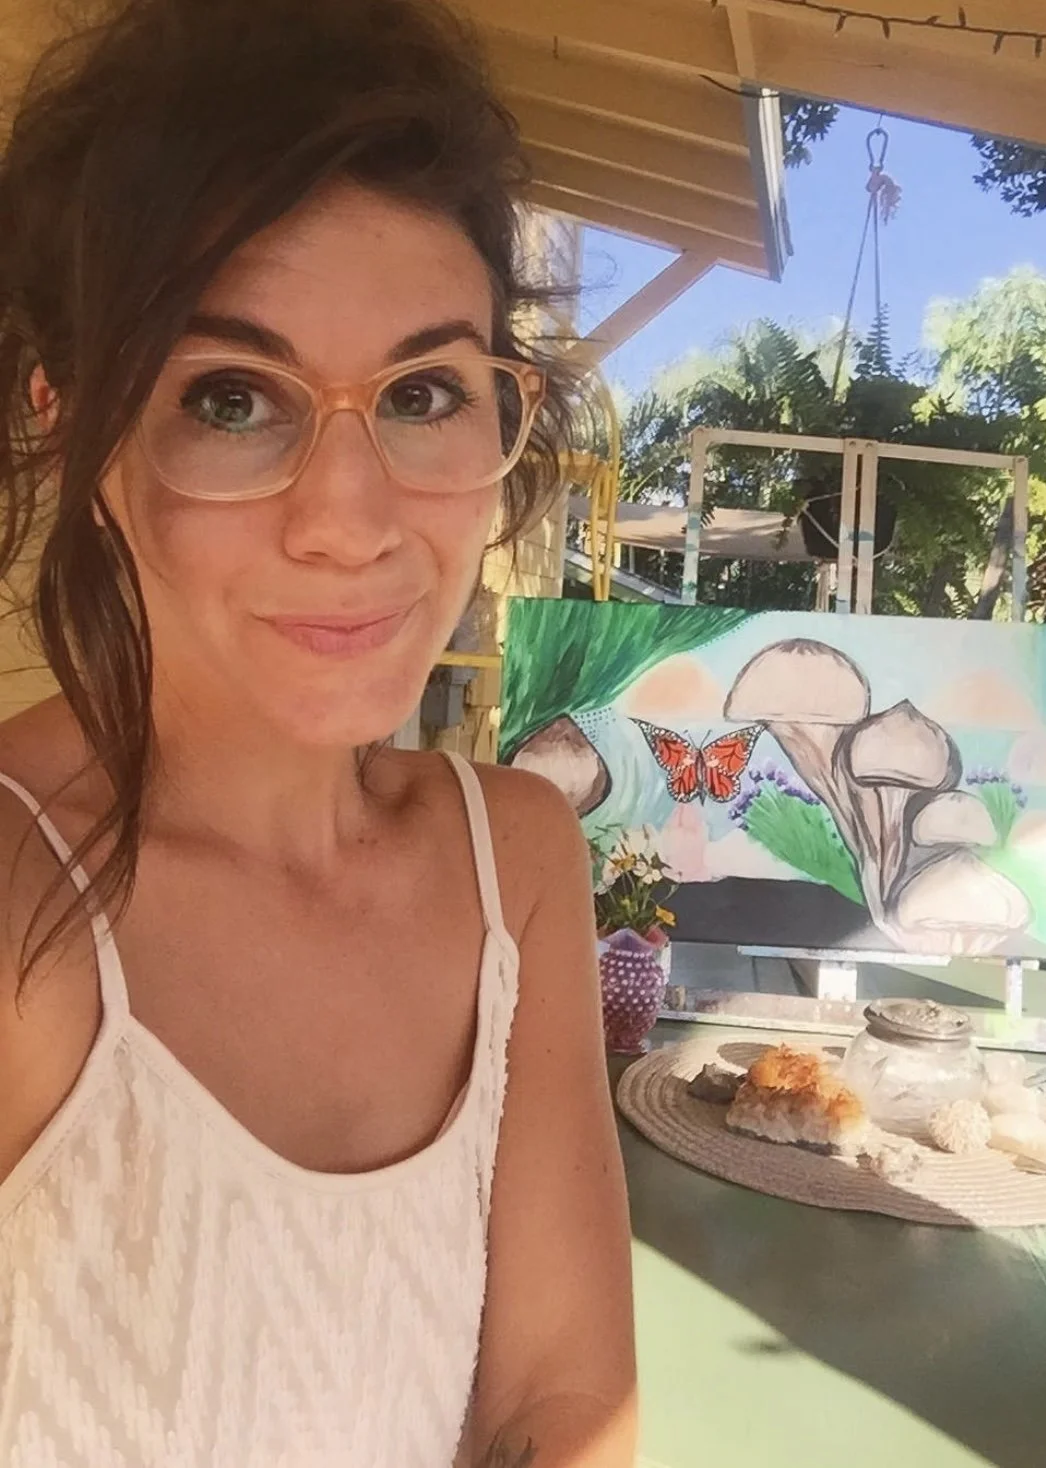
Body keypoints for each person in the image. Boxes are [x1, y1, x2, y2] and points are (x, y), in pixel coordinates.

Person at [0, 2, 636, 1464]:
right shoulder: (24, 905)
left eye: (421, 394)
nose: (348, 524)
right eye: (233, 399)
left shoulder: (515, 861)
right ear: (68, 424)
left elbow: (559, 1401)